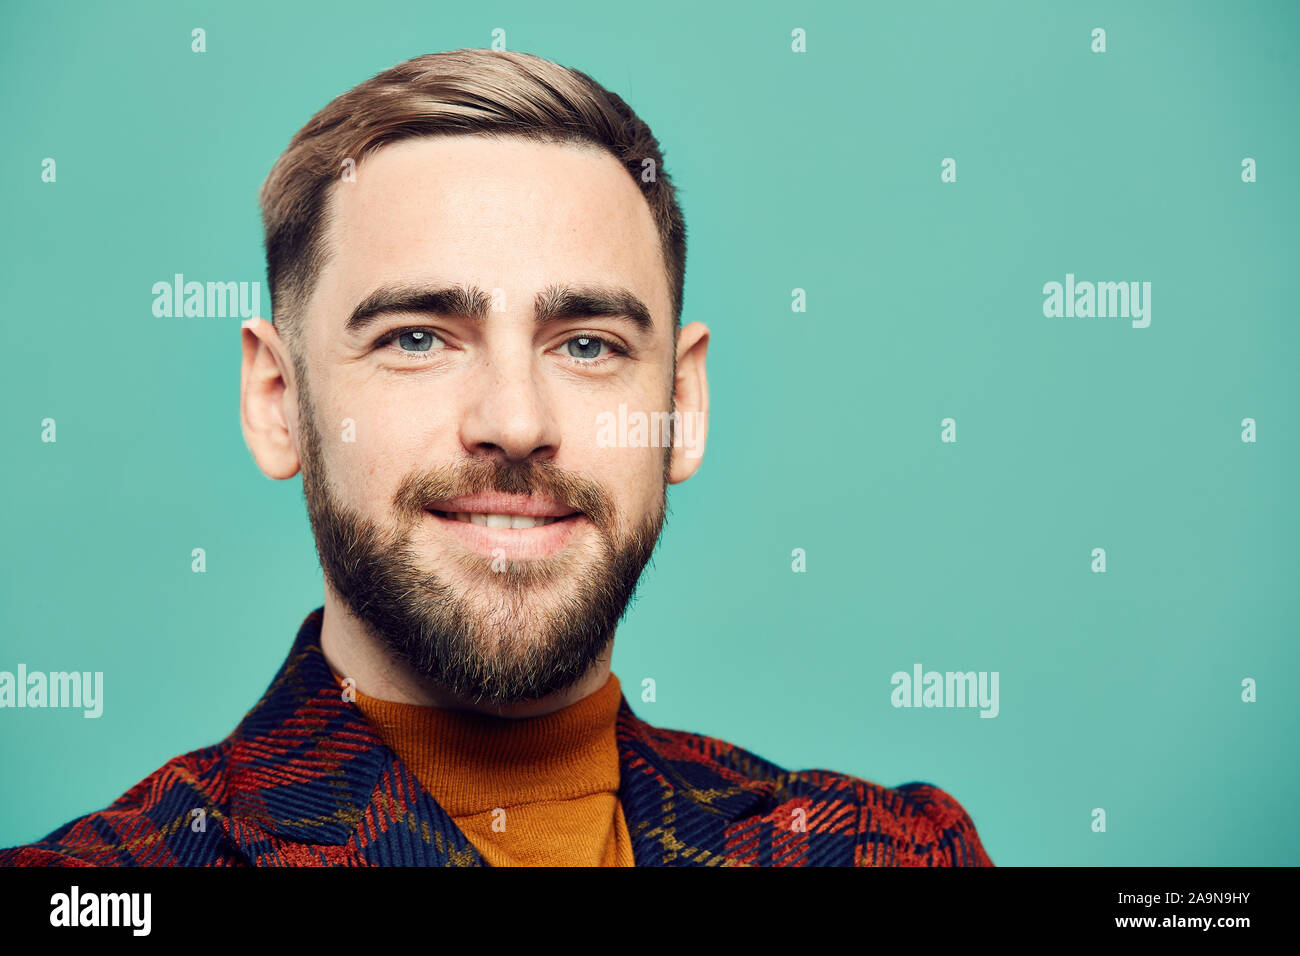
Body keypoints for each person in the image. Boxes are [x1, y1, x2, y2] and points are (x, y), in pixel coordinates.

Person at [0, 49, 992, 867]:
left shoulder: (893, 851)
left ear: (681, 406)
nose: (515, 421)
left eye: (588, 344)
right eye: (418, 337)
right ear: (278, 401)